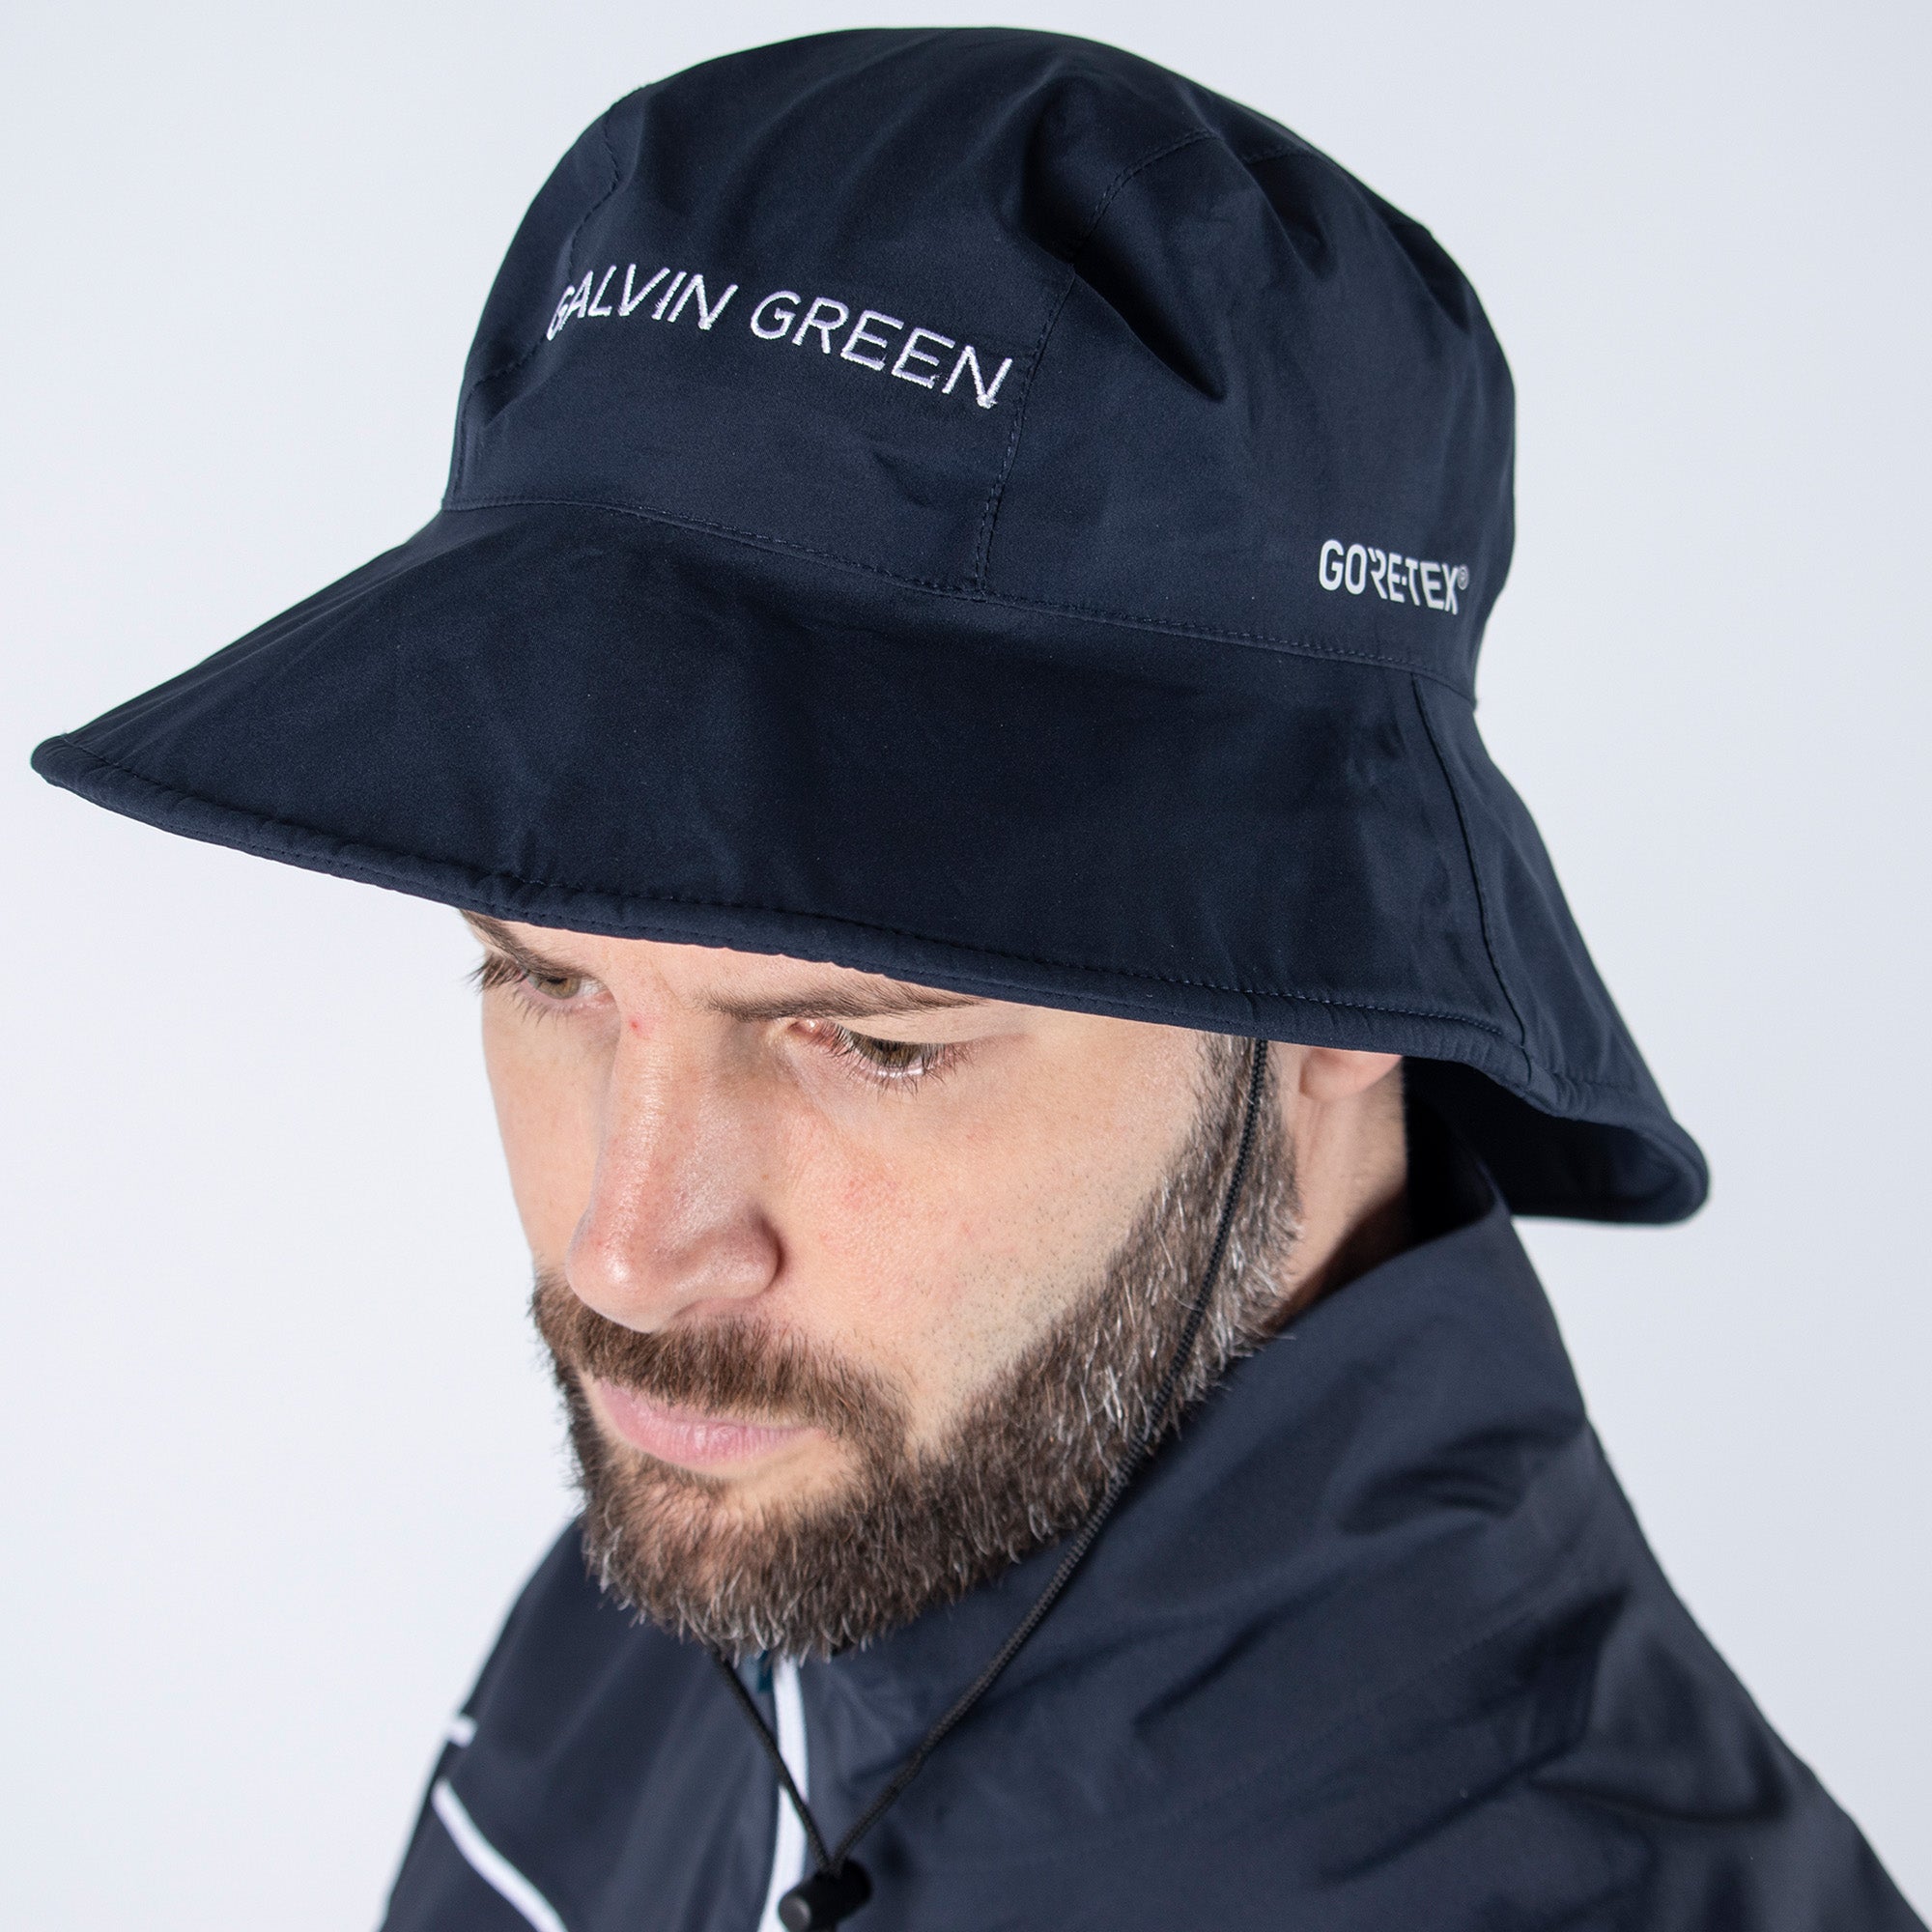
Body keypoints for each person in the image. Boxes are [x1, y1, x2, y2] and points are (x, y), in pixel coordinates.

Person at [31, 27, 1921, 1932]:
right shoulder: (756, 1541)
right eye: (544, 984)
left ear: (1341, 995)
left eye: (863, 1039)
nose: (629, 1255)